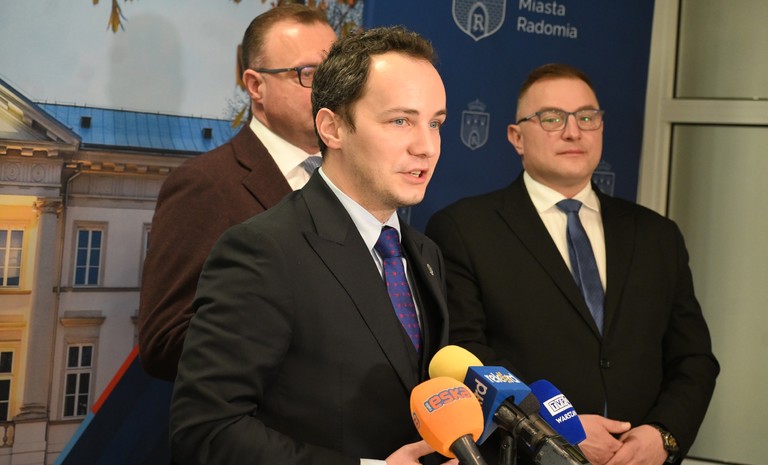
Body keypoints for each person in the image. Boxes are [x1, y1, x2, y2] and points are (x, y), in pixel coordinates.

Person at [170, 26, 454, 465]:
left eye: (435, 123)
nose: (427, 147)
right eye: (400, 121)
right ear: (332, 127)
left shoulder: (424, 254)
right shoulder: (263, 251)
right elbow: (206, 432)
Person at [425, 63, 719, 465]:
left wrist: (663, 435)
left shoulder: (657, 235)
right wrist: (557, 430)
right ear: (516, 137)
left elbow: (694, 359)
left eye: (586, 117)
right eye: (551, 118)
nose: (573, 131)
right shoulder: (464, 229)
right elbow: (469, 356)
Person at [138, 4, 337, 380]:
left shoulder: (351, 180)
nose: (329, 89)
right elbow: (164, 342)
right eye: (309, 74)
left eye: (335, 72)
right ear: (256, 86)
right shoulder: (204, 185)